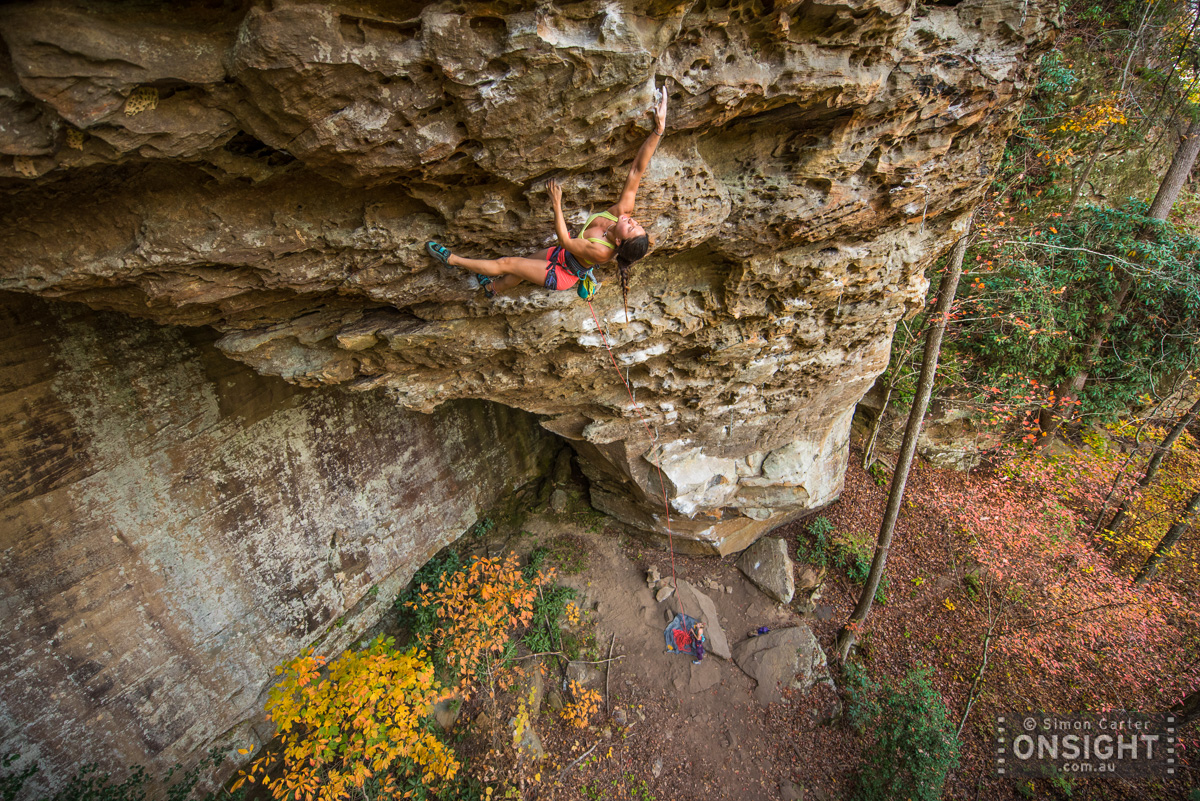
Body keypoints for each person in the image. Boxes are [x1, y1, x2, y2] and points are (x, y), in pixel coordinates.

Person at [425, 85, 668, 312]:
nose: (631, 220)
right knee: (520, 269)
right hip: (564, 257)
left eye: (631, 228)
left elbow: (565, 240)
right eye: (636, 223)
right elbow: (636, 170)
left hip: (562, 274)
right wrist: (659, 130)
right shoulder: (622, 212)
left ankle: (453, 260)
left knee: (508, 263)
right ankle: (492, 289)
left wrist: (556, 203)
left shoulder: (602, 252)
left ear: (619, 242)